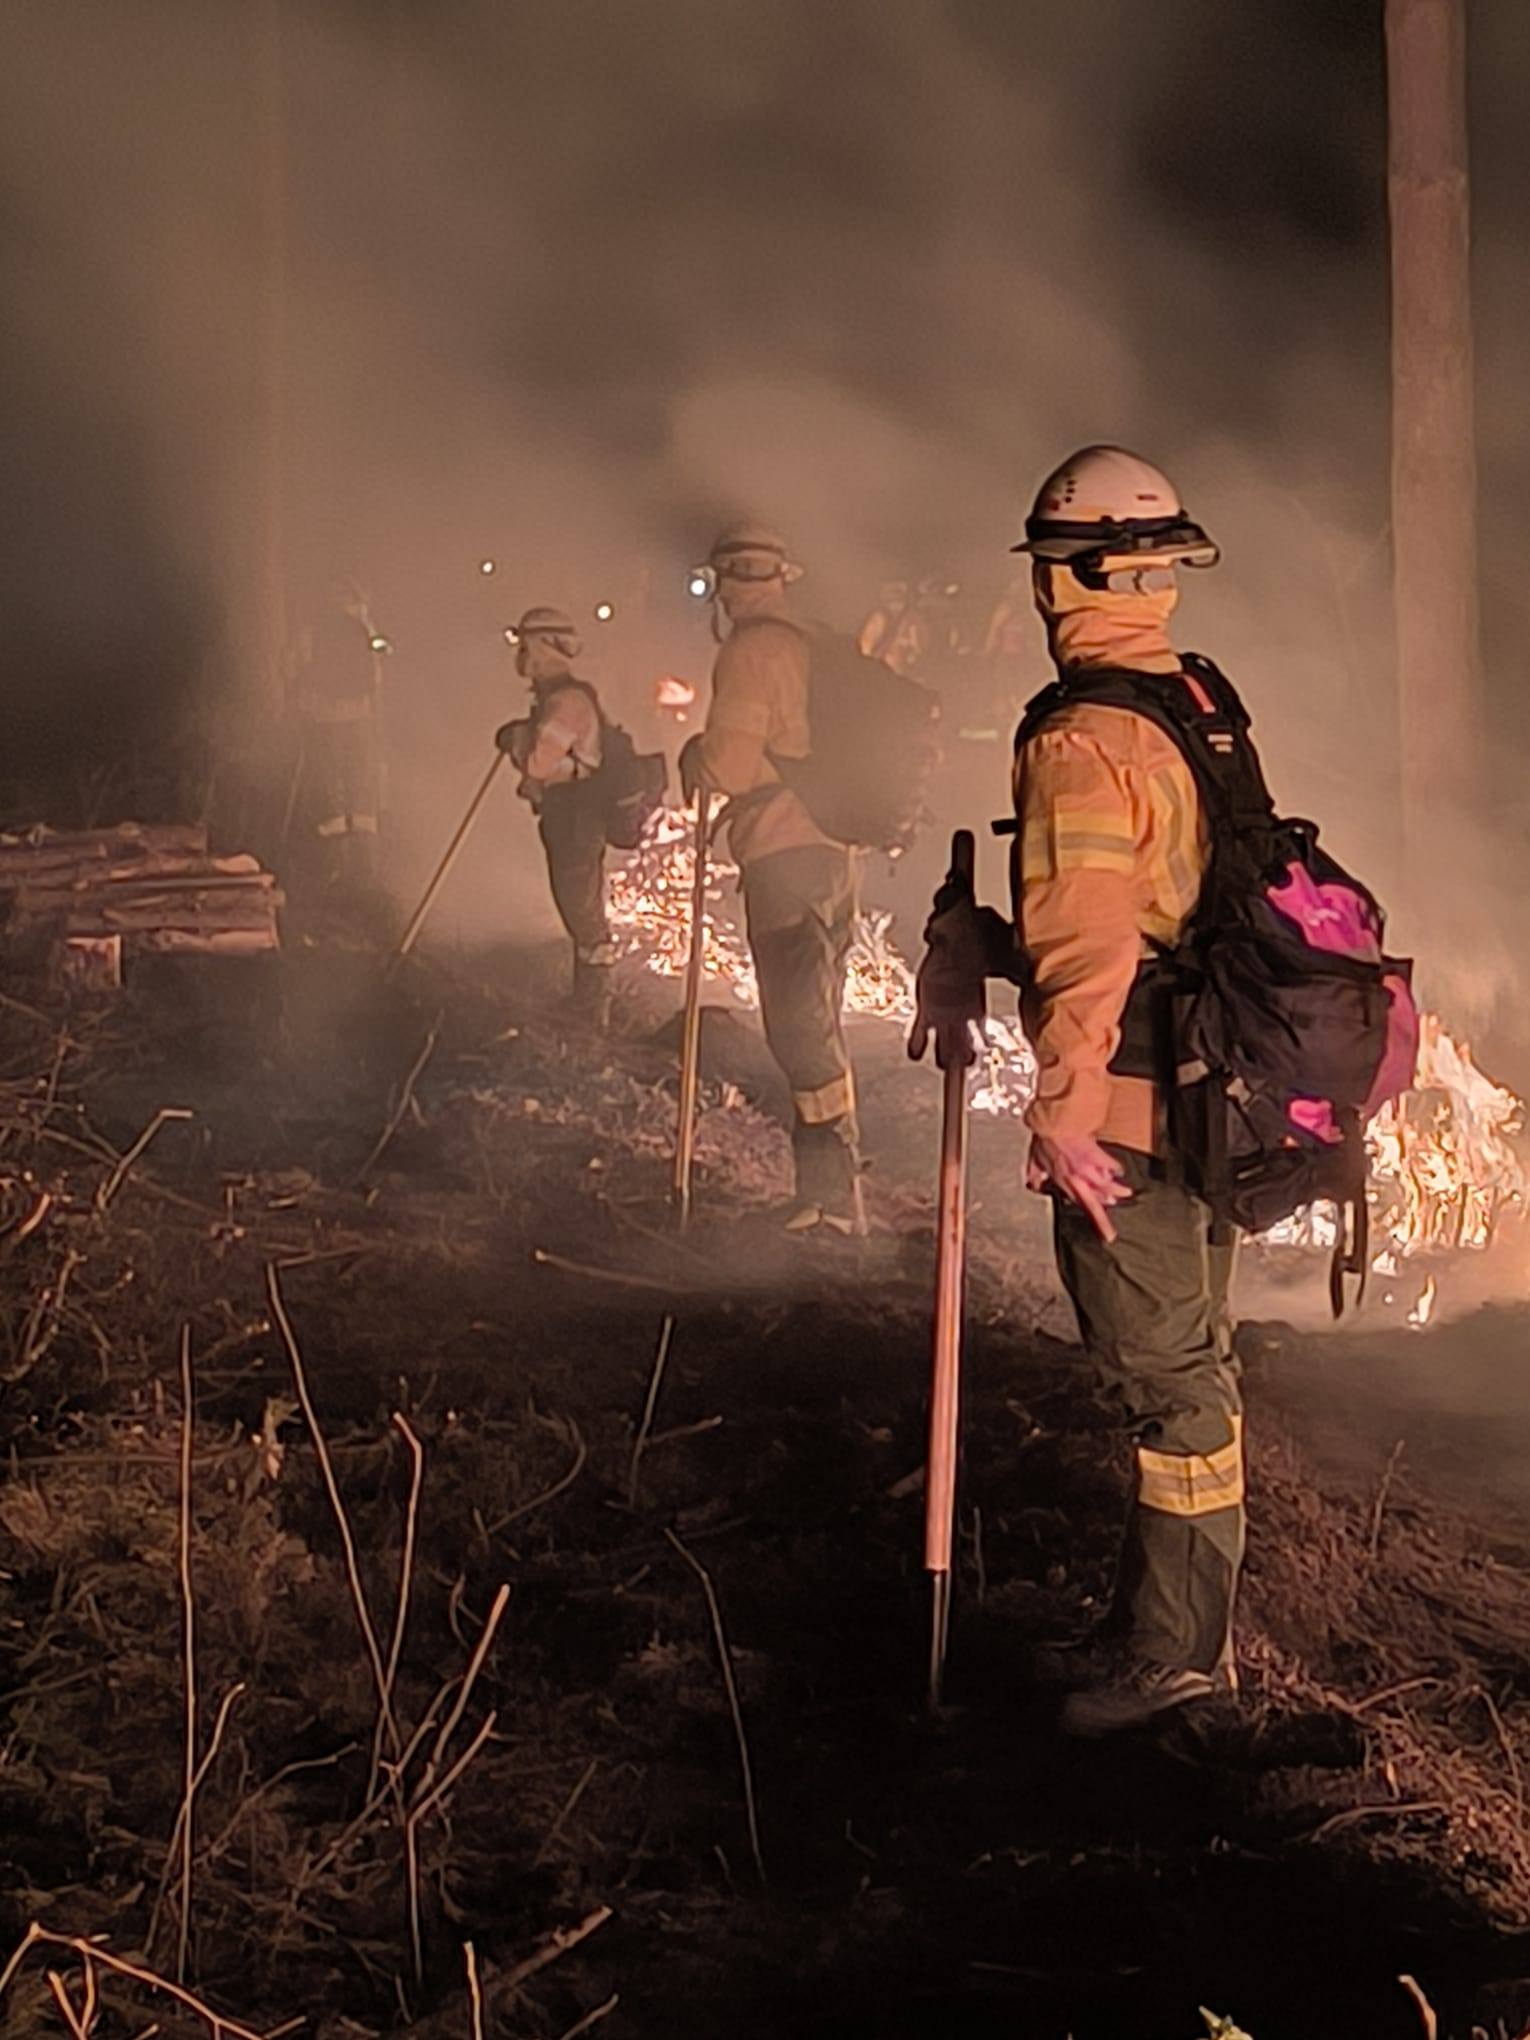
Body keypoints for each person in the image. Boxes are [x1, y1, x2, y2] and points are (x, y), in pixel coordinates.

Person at [914, 446, 1240, 1736]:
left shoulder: (1079, 737)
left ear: (1070, 578)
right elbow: (1158, 918)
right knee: (1193, 1372)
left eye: (1051, 570)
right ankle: (1159, 1631)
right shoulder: (1190, 702)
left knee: (1170, 1388)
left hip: (1130, 1112)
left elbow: (1091, 945)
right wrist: (985, 946)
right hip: (1207, 1097)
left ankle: (1175, 1662)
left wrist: (1061, 1112)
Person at [680, 524, 864, 1236]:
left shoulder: (752, 649)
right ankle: (832, 1190)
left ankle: (828, 1195)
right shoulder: (812, 641)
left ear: (727, 580)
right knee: (819, 1015)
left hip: (783, 851)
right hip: (835, 852)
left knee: (797, 1024)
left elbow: (728, 764)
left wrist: (696, 756)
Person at [497, 605, 616, 1028]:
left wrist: (517, 740)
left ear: (546, 647)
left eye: (526, 645)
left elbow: (538, 763)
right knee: (576, 903)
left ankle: (594, 1005)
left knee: (580, 907)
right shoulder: (558, 698)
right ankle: (588, 999)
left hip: (575, 814)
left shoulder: (567, 702)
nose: (521, 656)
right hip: (568, 812)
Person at [291, 579, 385, 888]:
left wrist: (300, 705)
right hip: (360, 718)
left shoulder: (313, 629)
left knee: (331, 790)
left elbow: (298, 669)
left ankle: (334, 865)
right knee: (361, 788)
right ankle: (367, 866)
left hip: (325, 718)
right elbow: (375, 676)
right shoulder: (362, 628)